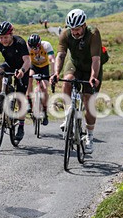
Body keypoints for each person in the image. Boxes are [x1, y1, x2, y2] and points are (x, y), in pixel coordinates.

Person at [49, 9, 102, 154]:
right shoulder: (65, 34)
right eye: (73, 29)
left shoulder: (93, 34)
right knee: (67, 81)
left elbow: (96, 59)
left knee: (88, 101)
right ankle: (68, 114)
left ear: (84, 26)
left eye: (78, 29)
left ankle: (89, 137)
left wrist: (93, 77)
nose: (75, 32)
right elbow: (60, 55)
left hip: (91, 67)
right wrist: (55, 73)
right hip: (75, 64)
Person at [0, 21, 31, 143]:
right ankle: (0, 97)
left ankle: (21, 126)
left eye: (6, 37)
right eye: (1, 37)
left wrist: (23, 71)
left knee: (20, 97)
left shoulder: (19, 42)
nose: (3, 40)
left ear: (11, 34)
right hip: (9, 65)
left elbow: (27, 60)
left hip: (21, 68)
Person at [25, 33, 56, 125]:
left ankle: (45, 111)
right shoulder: (27, 47)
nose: (35, 50)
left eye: (37, 47)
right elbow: (24, 60)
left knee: (43, 88)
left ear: (40, 44)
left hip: (44, 67)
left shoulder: (46, 45)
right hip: (33, 66)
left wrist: (53, 74)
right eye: (33, 48)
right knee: (29, 79)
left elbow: (52, 60)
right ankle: (29, 101)